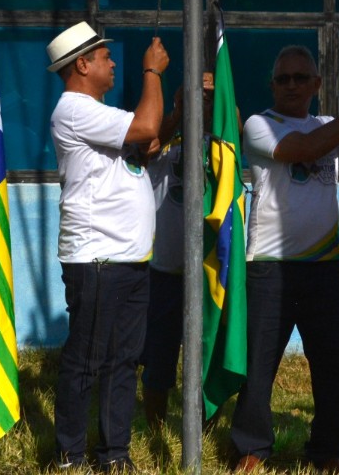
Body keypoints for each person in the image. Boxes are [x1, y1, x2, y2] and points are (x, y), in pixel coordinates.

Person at [230, 38, 339, 474]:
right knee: (259, 368)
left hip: (324, 267)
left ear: (317, 83)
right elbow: (303, 150)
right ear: (272, 84)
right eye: (283, 78)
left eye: (302, 77)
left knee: (332, 369)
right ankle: (252, 450)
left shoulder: (326, 122)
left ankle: (326, 453)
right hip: (270, 267)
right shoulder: (260, 126)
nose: (292, 85)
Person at [47, 21, 169, 471]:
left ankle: (115, 454)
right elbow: (146, 126)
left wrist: (168, 113)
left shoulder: (99, 111)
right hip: (97, 259)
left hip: (129, 258)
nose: (113, 62)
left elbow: (148, 141)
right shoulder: (75, 109)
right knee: (86, 360)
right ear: (82, 64)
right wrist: (151, 72)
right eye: (105, 56)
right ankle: (70, 456)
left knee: (123, 362)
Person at [140, 72, 215, 428]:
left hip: (210, 272)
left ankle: (204, 425)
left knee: (208, 352)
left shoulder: (223, 145)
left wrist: (220, 105)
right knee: (159, 354)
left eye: (209, 95)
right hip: (166, 271)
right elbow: (148, 146)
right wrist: (180, 111)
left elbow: (240, 129)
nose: (203, 100)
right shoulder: (166, 144)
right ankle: (154, 424)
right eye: (196, 95)